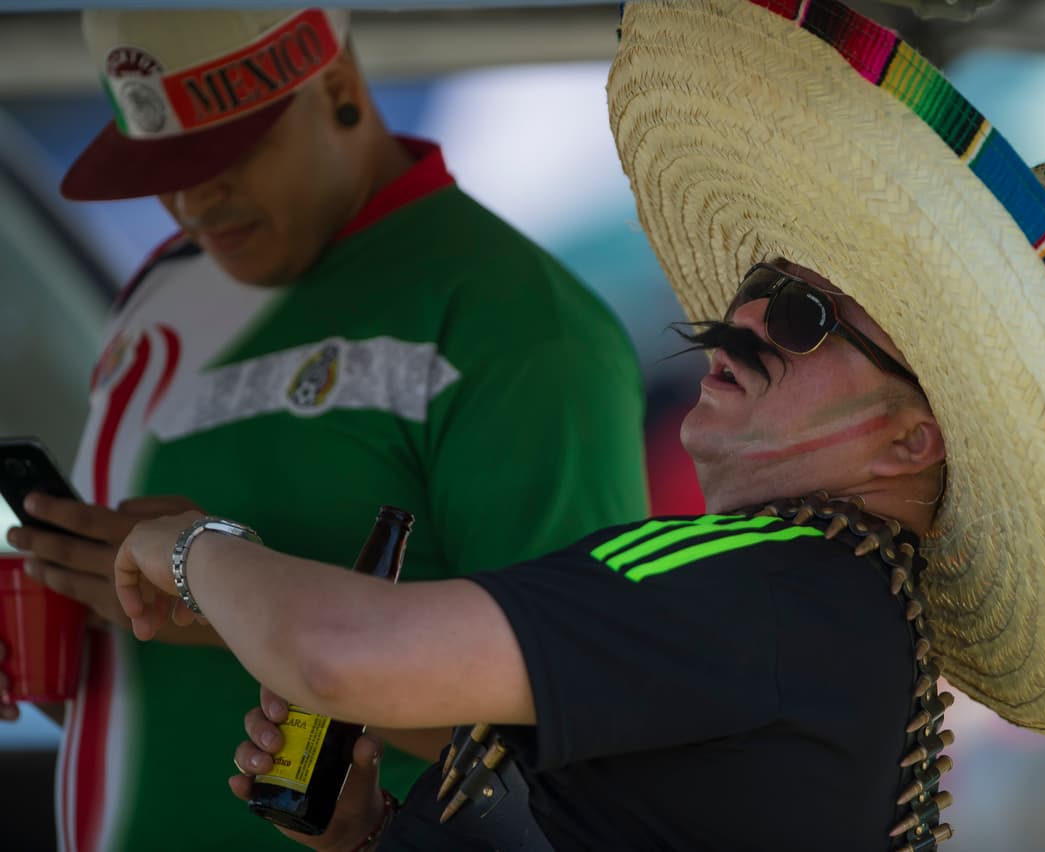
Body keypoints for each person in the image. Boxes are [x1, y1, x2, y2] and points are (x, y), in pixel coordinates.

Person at [111, 1, 1045, 849]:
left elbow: (341, 654)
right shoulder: (819, 604)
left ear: (906, 440)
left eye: (798, 316)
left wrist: (182, 549)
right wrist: (360, 834)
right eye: (756, 286)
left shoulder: (770, 581)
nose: (737, 322)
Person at [0, 8, 647, 852]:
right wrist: (63, 636)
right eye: (160, 166)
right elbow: (160, 696)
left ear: (336, 87)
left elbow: (578, 730)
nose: (193, 201)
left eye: (227, 154)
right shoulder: (168, 288)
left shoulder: (521, 323)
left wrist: (227, 597)